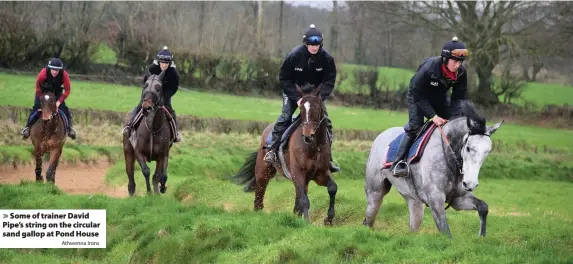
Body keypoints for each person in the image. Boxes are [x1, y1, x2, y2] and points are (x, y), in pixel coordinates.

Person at [263, 24, 340, 173]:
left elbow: (329, 81)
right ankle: (271, 150)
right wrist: (296, 98)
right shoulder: (294, 56)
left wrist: (320, 98)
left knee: (327, 122)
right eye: (311, 44)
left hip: (314, 97)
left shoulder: (327, 59)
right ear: (305, 43)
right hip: (294, 93)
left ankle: (328, 158)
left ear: (321, 44)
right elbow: (284, 78)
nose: (314, 47)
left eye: (317, 44)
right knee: (286, 116)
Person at [390, 36, 469, 177]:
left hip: (440, 97)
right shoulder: (429, 68)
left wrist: (456, 118)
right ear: (445, 59)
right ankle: (398, 163)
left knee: (455, 126)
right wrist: (433, 116)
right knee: (415, 126)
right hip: (418, 96)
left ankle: (456, 163)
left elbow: (458, 98)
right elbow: (417, 94)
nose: (458, 65)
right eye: (455, 61)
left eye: (460, 62)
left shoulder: (461, 73)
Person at [124, 46, 182, 143]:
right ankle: (129, 127)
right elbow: (145, 83)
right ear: (158, 62)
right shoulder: (151, 69)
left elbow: (174, 87)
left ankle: (175, 133)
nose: (164, 65)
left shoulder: (174, 73)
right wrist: (147, 95)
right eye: (162, 63)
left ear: (170, 63)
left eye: (166, 63)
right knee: (139, 107)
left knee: (171, 111)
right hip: (150, 94)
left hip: (165, 96)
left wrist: (165, 97)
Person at [21, 57, 77, 140]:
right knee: (36, 108)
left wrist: (58, 102)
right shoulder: (43, 74)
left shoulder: (64, 75)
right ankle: (28, 128)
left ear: (60, 70)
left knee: (65, 109)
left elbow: (67, 91)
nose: (55, 72)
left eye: (57, 70)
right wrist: (41, 101)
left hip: (56, 93)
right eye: (53, 69)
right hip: (42, 93)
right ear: (49, 68)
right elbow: (37, 88)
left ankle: (69, 129)